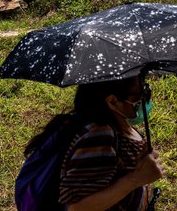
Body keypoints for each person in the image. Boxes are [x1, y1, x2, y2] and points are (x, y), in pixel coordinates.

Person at [25, 76, 164, 210]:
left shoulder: (116, 125)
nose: (144, 99)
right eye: (138, 97)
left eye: (147, 90)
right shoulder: (99, 137)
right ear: (112, 102)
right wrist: (136, 179)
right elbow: (77, 208)